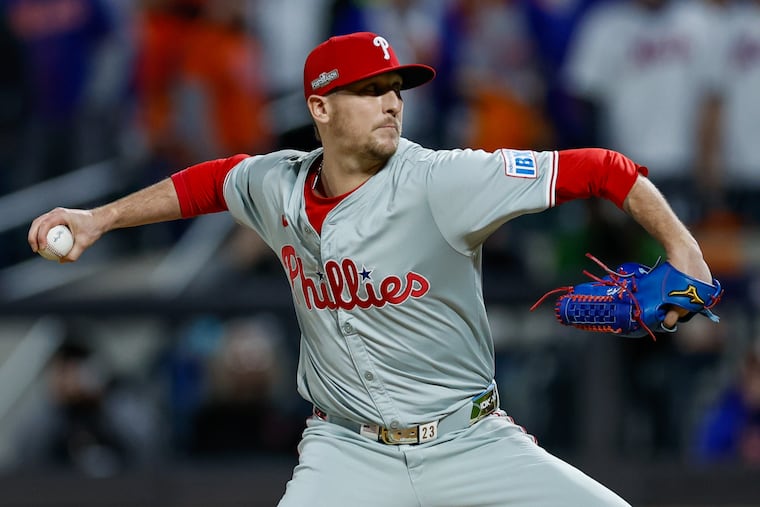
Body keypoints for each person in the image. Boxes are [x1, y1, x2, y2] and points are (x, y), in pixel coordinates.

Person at [29, 31, 716, 506]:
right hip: (347, 451)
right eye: (369, 89)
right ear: (320, 108)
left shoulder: (444, 180)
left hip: (468, 439)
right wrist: (100, 219)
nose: (392, 101)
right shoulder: (278, 185)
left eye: (396, 87)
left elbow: (601, 169)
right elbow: (212, 182)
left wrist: (683, 250)